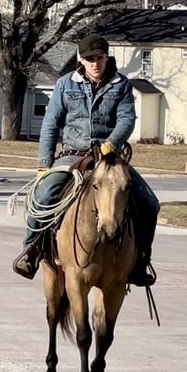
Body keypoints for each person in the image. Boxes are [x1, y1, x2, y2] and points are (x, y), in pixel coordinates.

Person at [12, 34, 159, 287]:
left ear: (106, 58)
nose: (95, 64)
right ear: (82, 60)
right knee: (43, 195)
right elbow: (50, 125)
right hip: (72, 155)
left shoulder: (121, 85)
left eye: (99, 58)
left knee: (149, 203)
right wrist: (43, 165)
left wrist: (110, 144)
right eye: (90, 59)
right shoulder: (65, 85)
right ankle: (32, 250)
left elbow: (127, 119)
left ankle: (141, 260)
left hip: (110, 158)